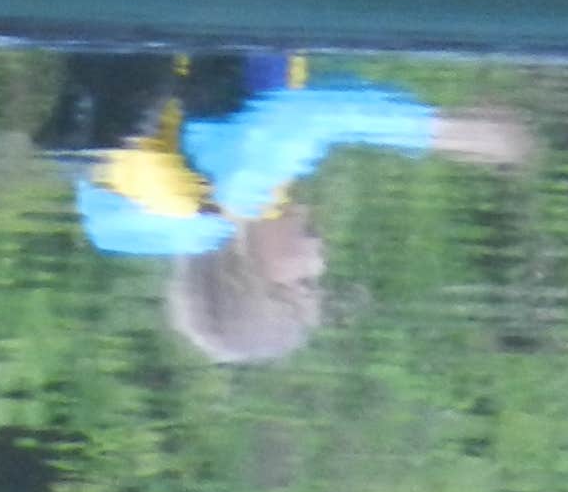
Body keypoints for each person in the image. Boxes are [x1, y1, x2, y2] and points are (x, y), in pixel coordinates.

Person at [39, 46, 534, 365]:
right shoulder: (199, 195)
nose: (320, 258)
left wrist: (452, 133)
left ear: (242, 269)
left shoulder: (232, 193)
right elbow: (324, 96)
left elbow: (315, 114)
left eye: (301, 283)